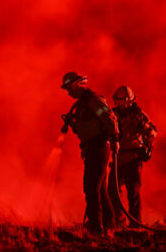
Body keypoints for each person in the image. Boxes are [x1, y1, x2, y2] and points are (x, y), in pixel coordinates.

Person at [60, 72, 120, 235]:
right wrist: (73, 124)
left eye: (69, 88)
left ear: (78, 85)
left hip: (99, 146)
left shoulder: (93, 100)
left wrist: (114, 138)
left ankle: (96, 227)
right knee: (99, 188)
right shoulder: (82, 104)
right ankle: (109, 223)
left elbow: (109, 118)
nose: (68, 92)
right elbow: (86, 128)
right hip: (91, 148)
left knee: (91, 187)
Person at [108, 85, 157, 228]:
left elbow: (153, 132)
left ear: (127, 101)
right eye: (116, 101)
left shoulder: (138, 115)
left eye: (120, 101)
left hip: (134, 158)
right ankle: (118, 221)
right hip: (118, 157)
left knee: (133, 193)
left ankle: (136, 224)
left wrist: (145, 129)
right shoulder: (113, 114)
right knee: (112, 190)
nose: (118, 104)